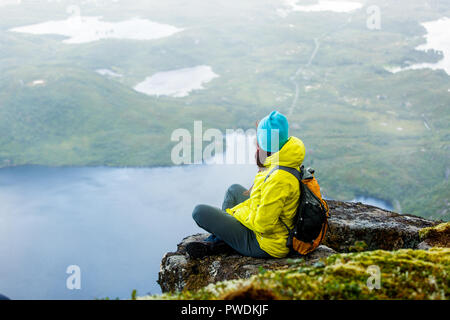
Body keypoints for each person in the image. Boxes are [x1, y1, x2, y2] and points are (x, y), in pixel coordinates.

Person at [187, 110, 305, 259]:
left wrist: (236, 213)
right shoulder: (284, 158)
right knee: (234, 190)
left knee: (199, 212)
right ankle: (224, 240)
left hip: (267, 244)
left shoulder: (278, 179)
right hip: (273, 228)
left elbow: (264, 225)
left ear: (264, 141)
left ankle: (218, 242)